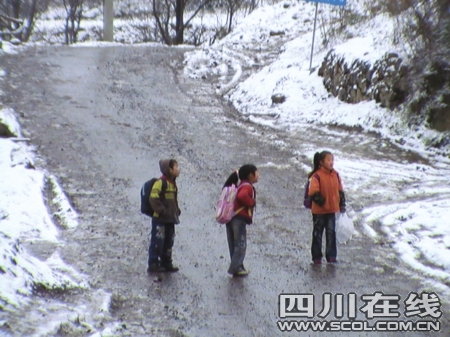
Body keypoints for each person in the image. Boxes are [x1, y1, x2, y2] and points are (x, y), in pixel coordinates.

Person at [308, 151, 346, 264]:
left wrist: (342, 203)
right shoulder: (317, 176)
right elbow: (313, 192)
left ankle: (331, 256)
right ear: (321, 162)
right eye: (328, 160)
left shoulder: (336, 174)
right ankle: (316, 257)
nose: (331, 162)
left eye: (332, 160)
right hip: (319, 211)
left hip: (331, 211)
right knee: (317, 234)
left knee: (331, 233)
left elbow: (340, 190)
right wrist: (323, 203)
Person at [223, 164, 259, 277]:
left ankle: (238, 265)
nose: (258, 175)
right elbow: (242, 196)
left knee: (233, 243)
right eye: (256, 173)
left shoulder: (240, 185)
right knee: (241, 243)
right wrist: (252, 203)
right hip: (239, 219)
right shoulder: (247, 186)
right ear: (250, 175)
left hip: (230, 217)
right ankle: (236, 267)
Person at [147, 159, 181, 273]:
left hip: (170, 219)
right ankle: (153, 263)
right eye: (176, 167)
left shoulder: (173, 184)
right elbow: (153, 198)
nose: (178, 169)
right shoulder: (160, 183)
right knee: (158, 240)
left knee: (169, 241)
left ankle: (166, 262)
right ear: (170, 169)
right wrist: (161, 211)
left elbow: (173, 200)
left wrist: (176, 210)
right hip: (160, 219)